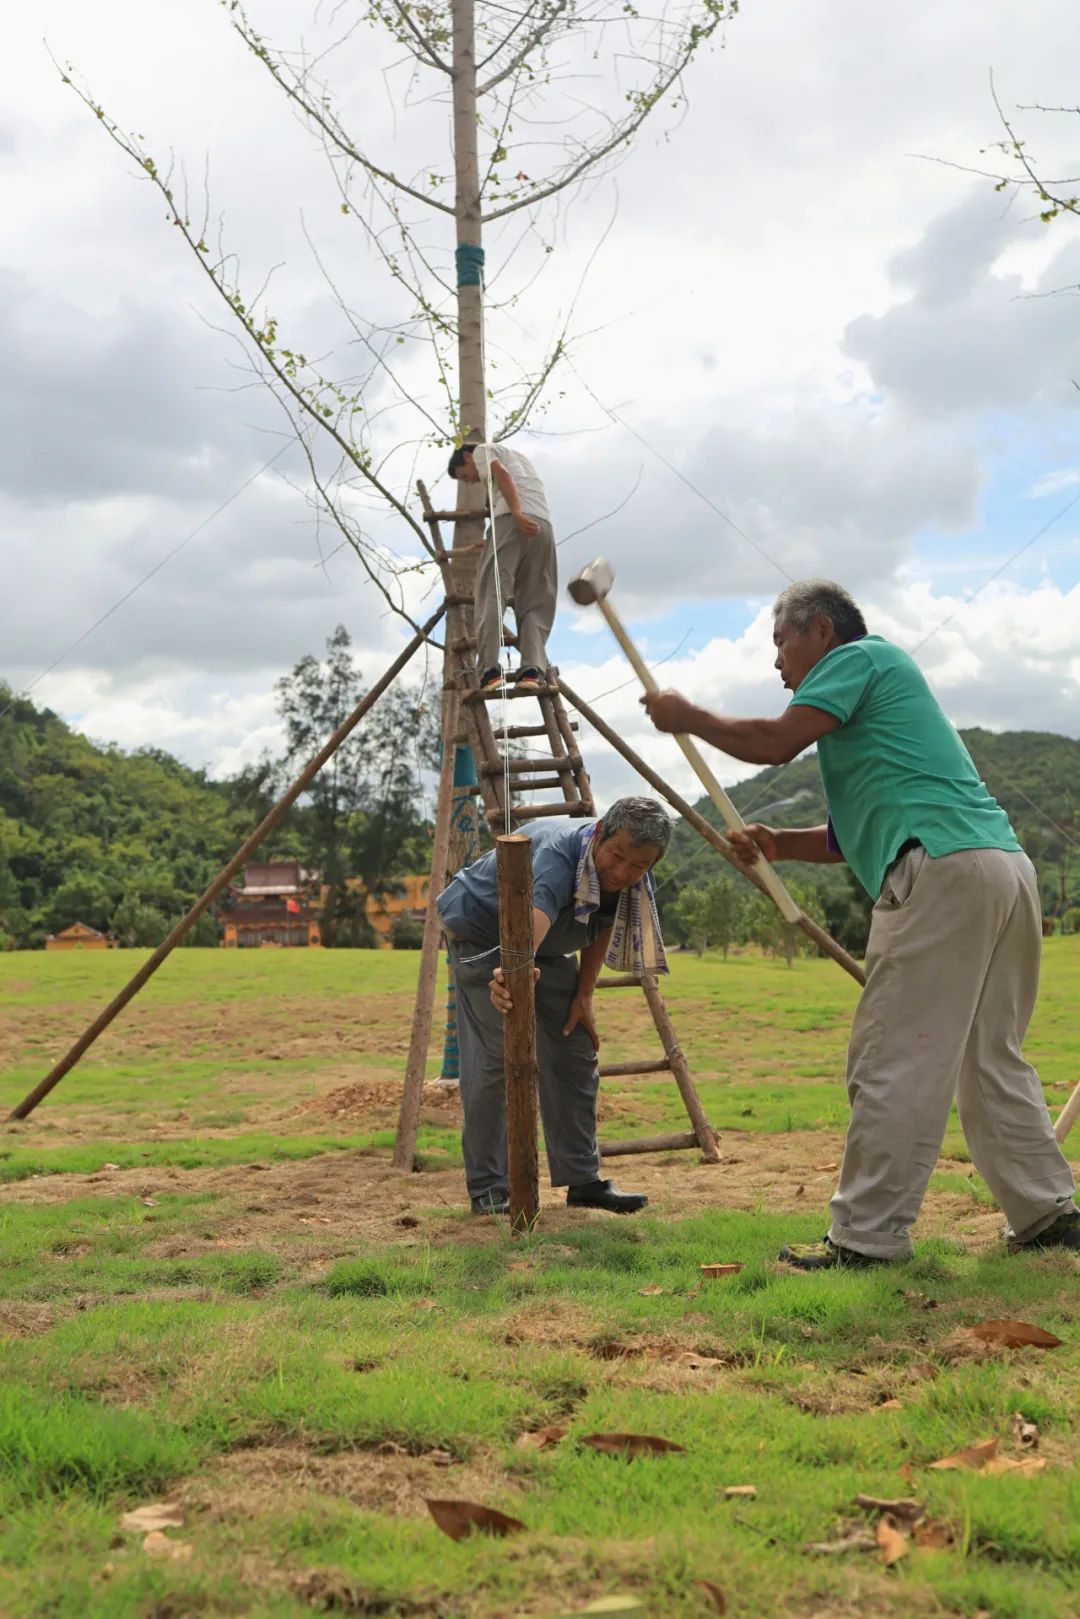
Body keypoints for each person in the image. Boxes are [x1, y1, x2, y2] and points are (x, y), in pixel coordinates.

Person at [642, 578, 1079, 1269]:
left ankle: (867, 1239)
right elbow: (850, 835)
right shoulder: (877, 699)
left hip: (941, 870)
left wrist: (686, 715)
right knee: (989, 1058)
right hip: (1001, 868)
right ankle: (1049, 1213)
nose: (776, 662)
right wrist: (778, 842)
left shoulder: (856, 659)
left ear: (820, 629)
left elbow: (776, 742)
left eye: (779, 641)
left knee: (895, 1058)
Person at [436, 797, 672, 1215]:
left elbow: (602, 920)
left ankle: (583, 1180)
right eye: (616, 856)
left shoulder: (633, 875)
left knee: (576, 1048)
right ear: (599, 834)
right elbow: (527, 928)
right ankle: (491, 1189)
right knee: (497, 1056)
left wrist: (584, 995)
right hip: (482, 930)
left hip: (543, 941)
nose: (622, 873)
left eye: (636, 866)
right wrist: (508, 978)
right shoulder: (556, 860)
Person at [448, 442, 556, 692]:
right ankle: (531, 670)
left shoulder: (480, 451)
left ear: (466, 455)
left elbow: (502, 475)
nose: (472, 480)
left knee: (490, 593)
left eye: (466, 475)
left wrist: (515, 514)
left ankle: (489, 671)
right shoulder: (520, 457)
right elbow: (513, 480)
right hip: (542, 526)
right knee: (535, 600)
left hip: (513, 520)